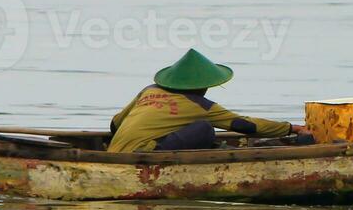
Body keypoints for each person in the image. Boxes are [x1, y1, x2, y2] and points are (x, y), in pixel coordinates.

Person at [107, 49, 307, 153]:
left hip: (114, 151)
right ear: (201, 86)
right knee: (204, 129)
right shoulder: (201, 106)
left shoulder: (148, 91)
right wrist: (292, 128)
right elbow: (245, 125)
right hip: (143, 155)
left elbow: (115, 124)